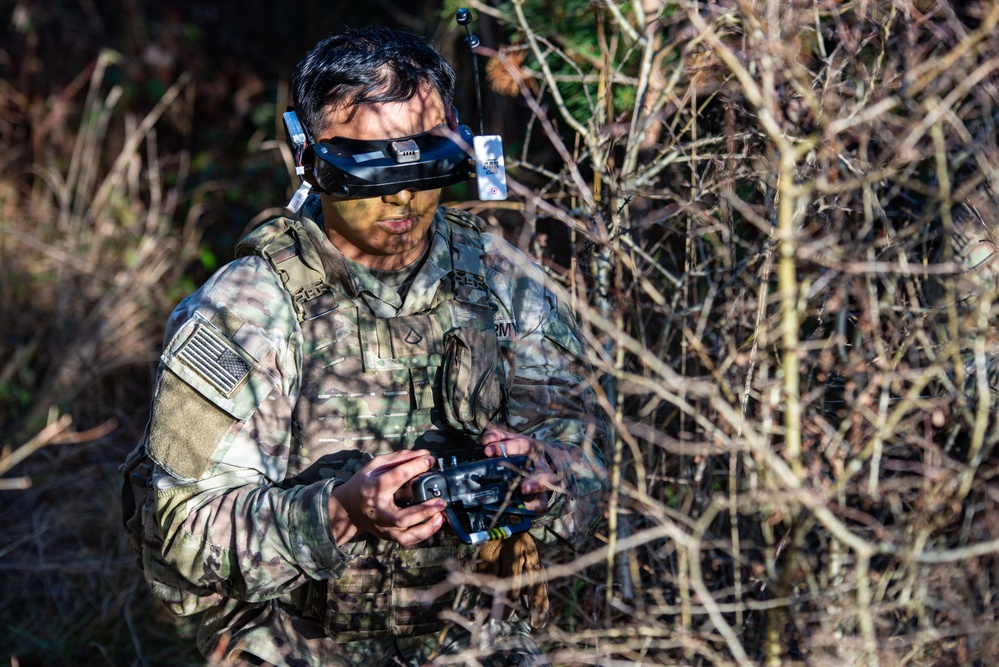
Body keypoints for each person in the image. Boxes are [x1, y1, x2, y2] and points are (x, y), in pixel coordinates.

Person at [123, 25, 606, 667]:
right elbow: (187, 529)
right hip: (293, 640)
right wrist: (342, 512)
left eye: (427, 158)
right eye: (370, 165)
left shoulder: (503, 282)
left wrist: (547, 475)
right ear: (309, 158)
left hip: (471, 633)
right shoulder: (246, 310)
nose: (403, 194)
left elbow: (590, 457)